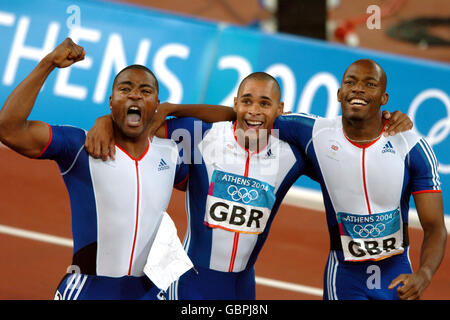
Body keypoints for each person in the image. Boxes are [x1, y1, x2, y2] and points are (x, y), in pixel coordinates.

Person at [85, 70, 414, 300]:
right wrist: (104, 121)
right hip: (189, 282)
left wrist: (382, 120)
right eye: (247, 102)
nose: (254, 111)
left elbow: (350, 155)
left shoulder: (292, 155)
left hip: (243, 287)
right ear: (236, 104)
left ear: (279, 111)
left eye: (264, 104)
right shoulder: (200, 136)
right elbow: (135, 124)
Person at [0, 38, 189, 300]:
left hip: (146, 292)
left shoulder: (171, 155)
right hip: (88, 290)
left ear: (157, 105)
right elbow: (9, 129)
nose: (135, 94)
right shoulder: (81, 146)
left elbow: (232, 126)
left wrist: (177, 110)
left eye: (145, 91)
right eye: (126, 89)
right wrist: (48, 64)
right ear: (111, 102)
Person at [273, 59, 447, 300]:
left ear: (384, 98)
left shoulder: (412, 147)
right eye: (350, 82)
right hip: (344, 276)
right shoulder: (314, 132)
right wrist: (202, 122)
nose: (358, 88)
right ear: (339, 93)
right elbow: (253, 118)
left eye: (370, 84)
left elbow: (435, 227)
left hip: (396, 276)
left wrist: (424, 274)